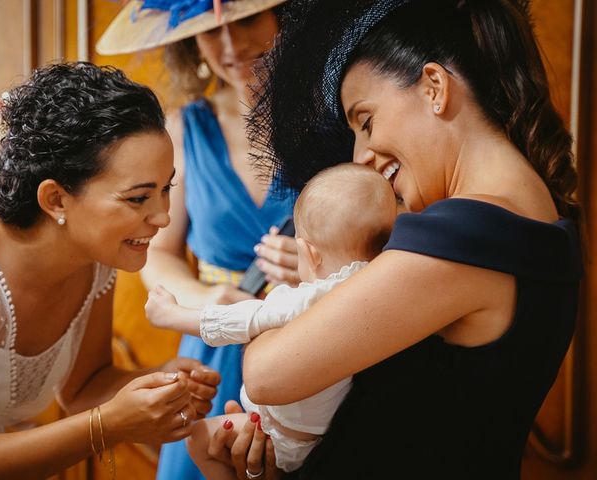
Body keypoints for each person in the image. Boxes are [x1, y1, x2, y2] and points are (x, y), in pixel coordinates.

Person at [209, 0, 580, 478]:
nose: (361, 155)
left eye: (365, 121)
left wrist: (300, 296)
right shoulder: (532, 223)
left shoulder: (466, 233)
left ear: (434, 87)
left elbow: (264, 375)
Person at [0, 62, 220, 479]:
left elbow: (84, 388)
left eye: (166, 189)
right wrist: (108, 425)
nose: (164, 217)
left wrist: (157, 381)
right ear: (56, 200)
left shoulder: (95, 258)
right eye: (138, 198)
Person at [97, 1, 298, 479]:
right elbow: (158, 254)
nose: (231, 46)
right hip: (215, 349)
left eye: (247, 20)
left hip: (315, 338)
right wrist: (206, 301)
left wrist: (318, 266)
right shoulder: (184, 130)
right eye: (212, 32)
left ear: (288, 18)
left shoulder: (333, 122)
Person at [145, 163, 397, 477]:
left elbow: (249, 317)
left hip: (275, 434)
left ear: (309, 253)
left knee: (198, 440)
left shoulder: (307, 298)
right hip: (324, 440)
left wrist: (173, 315)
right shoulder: (377, 287)